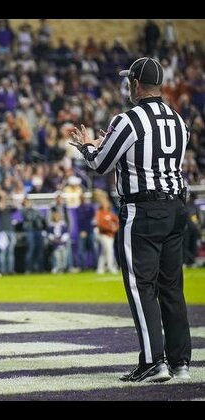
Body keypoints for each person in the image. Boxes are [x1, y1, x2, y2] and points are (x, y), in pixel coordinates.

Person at [69, 57, 191, 382]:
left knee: (140, 287)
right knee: (172, 287)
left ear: (135, 84)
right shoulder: (178, 120)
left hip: (144, 210)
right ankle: (181, 363)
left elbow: (101, 164)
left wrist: (87, 146)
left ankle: (154, 361)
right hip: (176, 208)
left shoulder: (129, 120)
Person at [94, 198, 119, 275]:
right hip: (103, 234)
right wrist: (111, 229)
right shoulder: (100, 213)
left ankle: (100, 268)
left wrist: (115, 228)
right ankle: (110, 267)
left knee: (104, 252)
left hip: (111, 235)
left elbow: (118, 221)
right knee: (109, 250)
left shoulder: (110, 213)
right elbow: (100, 225)